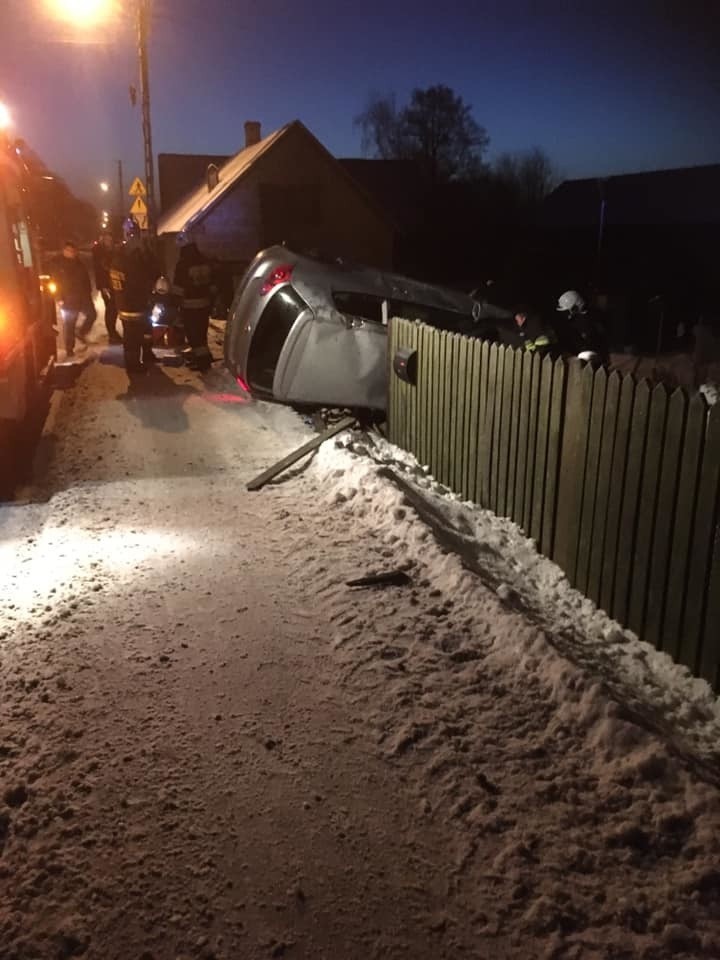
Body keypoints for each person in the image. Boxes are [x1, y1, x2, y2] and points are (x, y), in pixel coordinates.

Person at [110, 233, 159, 373]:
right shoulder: (130, 262)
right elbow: (139, 282)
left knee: (141, 333)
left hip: (125, 305)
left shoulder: (117, 261)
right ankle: (133, 365)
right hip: (135, 305)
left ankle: (144, 356)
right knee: (133, 337)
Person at [172, 235, 215, 371]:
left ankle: (202, 362)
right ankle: (204, 358)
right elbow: (213, 284)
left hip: (190, 306)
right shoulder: (205, 261)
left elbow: (179, 287)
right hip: (204, 305)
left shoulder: (183, 264)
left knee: (194, 336)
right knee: (201, 334)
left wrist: (175, 305)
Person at [51, 241, 96, 358]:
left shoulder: (79, 264)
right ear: (64, 251)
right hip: (69, 299)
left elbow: (86, 278)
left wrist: (89, 292)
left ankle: (81, 332)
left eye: (73, 251)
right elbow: (55, 282)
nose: (72, 253)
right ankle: (69, 348)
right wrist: (59, 297)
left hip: (83, 296)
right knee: (70, 324)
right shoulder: (59, 265)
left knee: (92, 314)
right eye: (69, 251)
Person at [555, 289, 608, 364]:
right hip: (585, 354)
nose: (566, 315)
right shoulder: (577, 319)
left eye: (567, 311)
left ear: (574, 308)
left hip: (594, 357)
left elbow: (593, 343)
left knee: (583, 356)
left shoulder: (589, 320)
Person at [92, 231, 121, 344]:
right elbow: (100, 271)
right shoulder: (100, 253)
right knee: (111, 309)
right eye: (107, 240)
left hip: (114, 285)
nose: (109, 242)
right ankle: (112, 334)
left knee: (114, 309)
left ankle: (112, 332)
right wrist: (103, 286)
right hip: (106, 286)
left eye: (110, 240)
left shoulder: (113, 251)